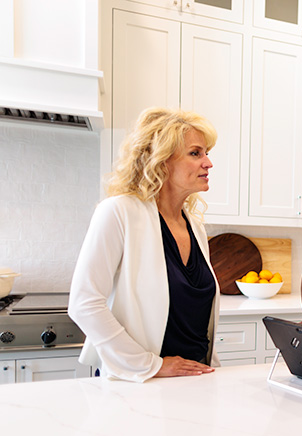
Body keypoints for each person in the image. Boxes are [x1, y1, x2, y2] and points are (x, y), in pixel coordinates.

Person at [69, 107, 221, 382]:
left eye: (207, 153)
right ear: (162, 160)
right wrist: (150, 365)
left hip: (196, 380)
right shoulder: (118, 212)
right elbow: (84, 303)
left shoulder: (195, 227)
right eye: (196, 153)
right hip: (140, 381)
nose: (208, 163)